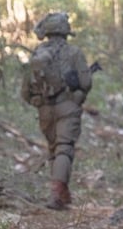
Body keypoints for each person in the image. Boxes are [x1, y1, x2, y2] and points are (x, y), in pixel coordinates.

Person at [21, 12, 93, 210]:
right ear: (65, 31)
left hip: (44, 110)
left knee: (54, 149)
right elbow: (86, 82)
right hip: (67, 107)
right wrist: (78, 96)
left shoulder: (37, 54)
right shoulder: (74, 53)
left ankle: (61, 194)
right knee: (64, 148)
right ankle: (56, 195)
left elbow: (25, 90)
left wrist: (37, 102)